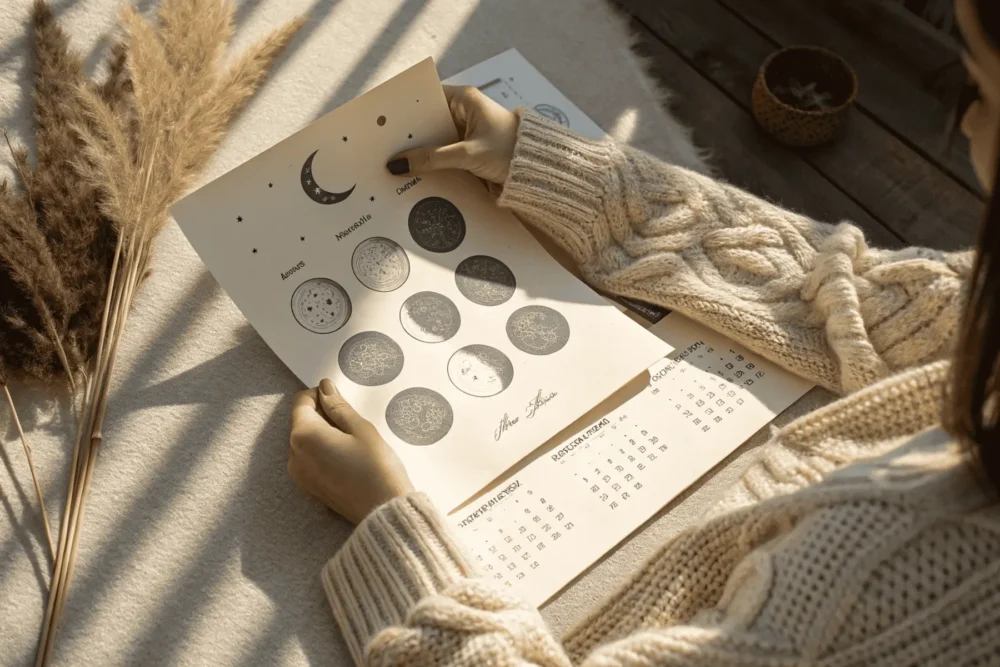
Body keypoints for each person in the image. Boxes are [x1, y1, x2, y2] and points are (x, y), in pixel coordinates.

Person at [287, 0, 1000, 663]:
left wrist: (391, 533)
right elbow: (855, 299)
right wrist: (564, 175)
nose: (964, 124)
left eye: (979, 91)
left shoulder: (901, 565)